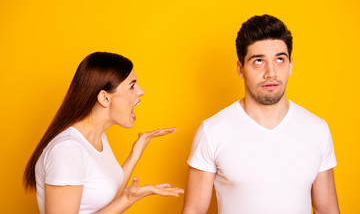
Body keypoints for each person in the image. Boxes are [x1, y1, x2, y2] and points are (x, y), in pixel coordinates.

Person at [182, 15, 340, 214]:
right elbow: (194, 210)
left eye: (280, 59)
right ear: (241, 69)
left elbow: (327, 209)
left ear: (291, 64)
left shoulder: (317, 129)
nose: (271, 72)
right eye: (258, 61)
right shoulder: (212, 131)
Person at [23, 52, 183, 214]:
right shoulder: (67, 150)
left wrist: (136, 152)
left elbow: (106, 200)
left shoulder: (98, 137)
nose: (141, 91)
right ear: (105, 98)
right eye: (132, 86)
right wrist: (126, 201)